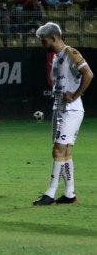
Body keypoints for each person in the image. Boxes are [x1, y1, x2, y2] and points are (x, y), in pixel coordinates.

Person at [32, 22, 92, 205]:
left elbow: (88, 74)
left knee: (58, 150)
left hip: (71, 110)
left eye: (44, 41)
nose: (43, 44)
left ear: (53, 38)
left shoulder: (70, 53)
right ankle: (69, 194)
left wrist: (75, 95)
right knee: (64, 152)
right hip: (59, 109)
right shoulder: (56, 57)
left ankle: (50, 194)